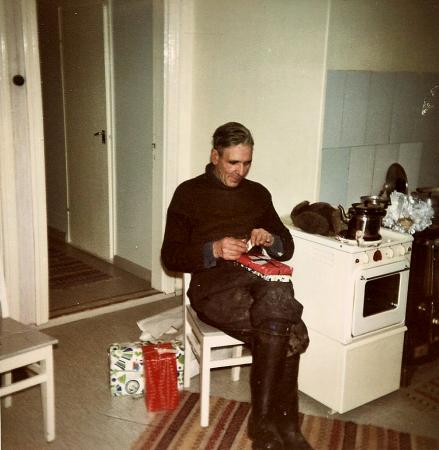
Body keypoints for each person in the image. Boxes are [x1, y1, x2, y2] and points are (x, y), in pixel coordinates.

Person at [161, 122, 312, 450]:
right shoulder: (189, 194)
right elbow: (170, 256)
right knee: (292, 331)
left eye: (246, 163)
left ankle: (266, 423)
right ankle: (285, 426)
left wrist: (270, 239)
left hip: (257, 280)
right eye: (233, 162)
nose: (240, 171)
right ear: (215, 156)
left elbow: (286, 245)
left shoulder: (257, 194)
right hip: (213, 288)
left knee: (277, 300)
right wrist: (212, 250)